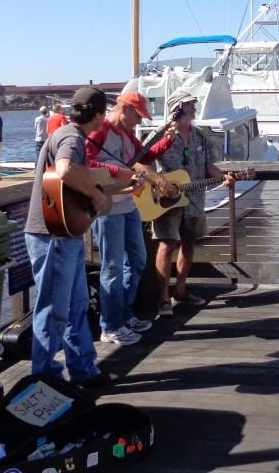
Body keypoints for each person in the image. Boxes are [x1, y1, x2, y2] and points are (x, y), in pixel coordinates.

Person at [24, 86, 114, 386]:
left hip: (62, 233)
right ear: (99, 115)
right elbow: (64, 170)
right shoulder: (72, 137)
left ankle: (83, 370)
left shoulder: (66, 133)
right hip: (52, 236)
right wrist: (97, 197)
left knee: (76, 307)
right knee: (53, 309)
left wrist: (102, 191)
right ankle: (45, 378)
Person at [85, 91, 179, 344]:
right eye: (138, 116)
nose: (139, 122)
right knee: (113, 267)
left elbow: (143, 159)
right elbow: (86, 163)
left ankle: (123, 315)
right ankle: (111, 325)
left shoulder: (126, 134)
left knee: (136, 261)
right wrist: (120, 172)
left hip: (128, 205)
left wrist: (166, 142)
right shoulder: (100, 130)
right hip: (108, 209)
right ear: (125, 108)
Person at [153, 89, 236, 317]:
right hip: (166, 201)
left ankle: (180, 290)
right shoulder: (161, 134)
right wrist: (159, 184)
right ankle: (162, 298)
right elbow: (142, 164)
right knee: (166, 244)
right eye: (190, 104)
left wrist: (224, 176)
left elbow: (210, 166)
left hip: (195, 199)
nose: (194, 108)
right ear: (178, 108)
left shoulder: (200, 136)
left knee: (189, 243)